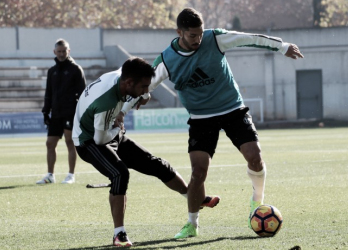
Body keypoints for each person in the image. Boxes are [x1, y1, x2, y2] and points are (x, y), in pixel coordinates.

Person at [121, 8, 304, 239]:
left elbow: (247, 38)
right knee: (198, 172)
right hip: (200, 117)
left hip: (232, 108)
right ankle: (192, 224)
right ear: (179, 32)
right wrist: (126, 108)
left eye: (200, 34)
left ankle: (256, 203)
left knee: (255, 157)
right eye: (192, 36)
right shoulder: (167, 60)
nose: (198, 39)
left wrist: (283, 46)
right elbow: (144, 86)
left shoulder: (214, 38)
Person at [72, 57, 220, 247]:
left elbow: (132, 71)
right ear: (128, 83)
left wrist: (143, 94)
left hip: (109, 130)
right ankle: (119, 234)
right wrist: (118, 127)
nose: (146, 90)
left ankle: (193, 198)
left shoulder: (124, 76)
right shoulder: (106, 101)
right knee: (120, 174)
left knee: (157, 165)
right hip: (89, 141)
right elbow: (100, 139)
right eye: (143, 87)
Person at [37, 39, 86, 184]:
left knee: (70, 142)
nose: (61, 54)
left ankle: (71, 175)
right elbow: (48, 92)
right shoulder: (52, 71)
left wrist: (81, 113)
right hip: (56, 113)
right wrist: (46, 111)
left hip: (70, 111)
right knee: (50, 143)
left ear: (68, 51)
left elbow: (83, 93)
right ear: (54, 52)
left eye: (64, 51)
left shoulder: (76, 69)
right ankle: (50, 175)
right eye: (59, 51)